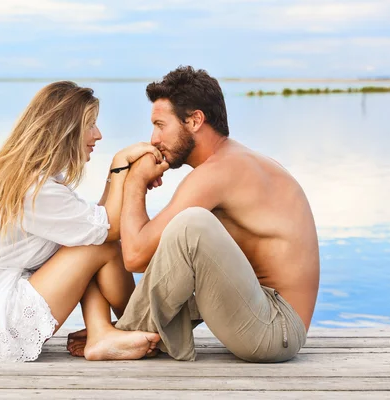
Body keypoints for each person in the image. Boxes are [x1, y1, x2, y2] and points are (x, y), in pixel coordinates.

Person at [68, 66, 320, 363]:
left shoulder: (220, 172)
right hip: (259, 313)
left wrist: (135, 181)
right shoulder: (235, 161)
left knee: (191, 225)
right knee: (157, 233)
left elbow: (135, 256)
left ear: (195, 120)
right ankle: (118, 333)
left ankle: (120, 333)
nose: (154, 139)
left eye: (161, 125)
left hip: (276, 330)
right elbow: (160, 256)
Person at [0, 81, 161, 362]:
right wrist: (122, 167)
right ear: (64, 130)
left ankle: (103, 333)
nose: (97, 135)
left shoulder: (30, 179)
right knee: (101, 246)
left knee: (90, 240)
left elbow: (94, 222)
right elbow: (108, 229)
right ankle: (139, 327)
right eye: (90, 125)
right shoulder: (34, 190)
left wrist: (118, 175)